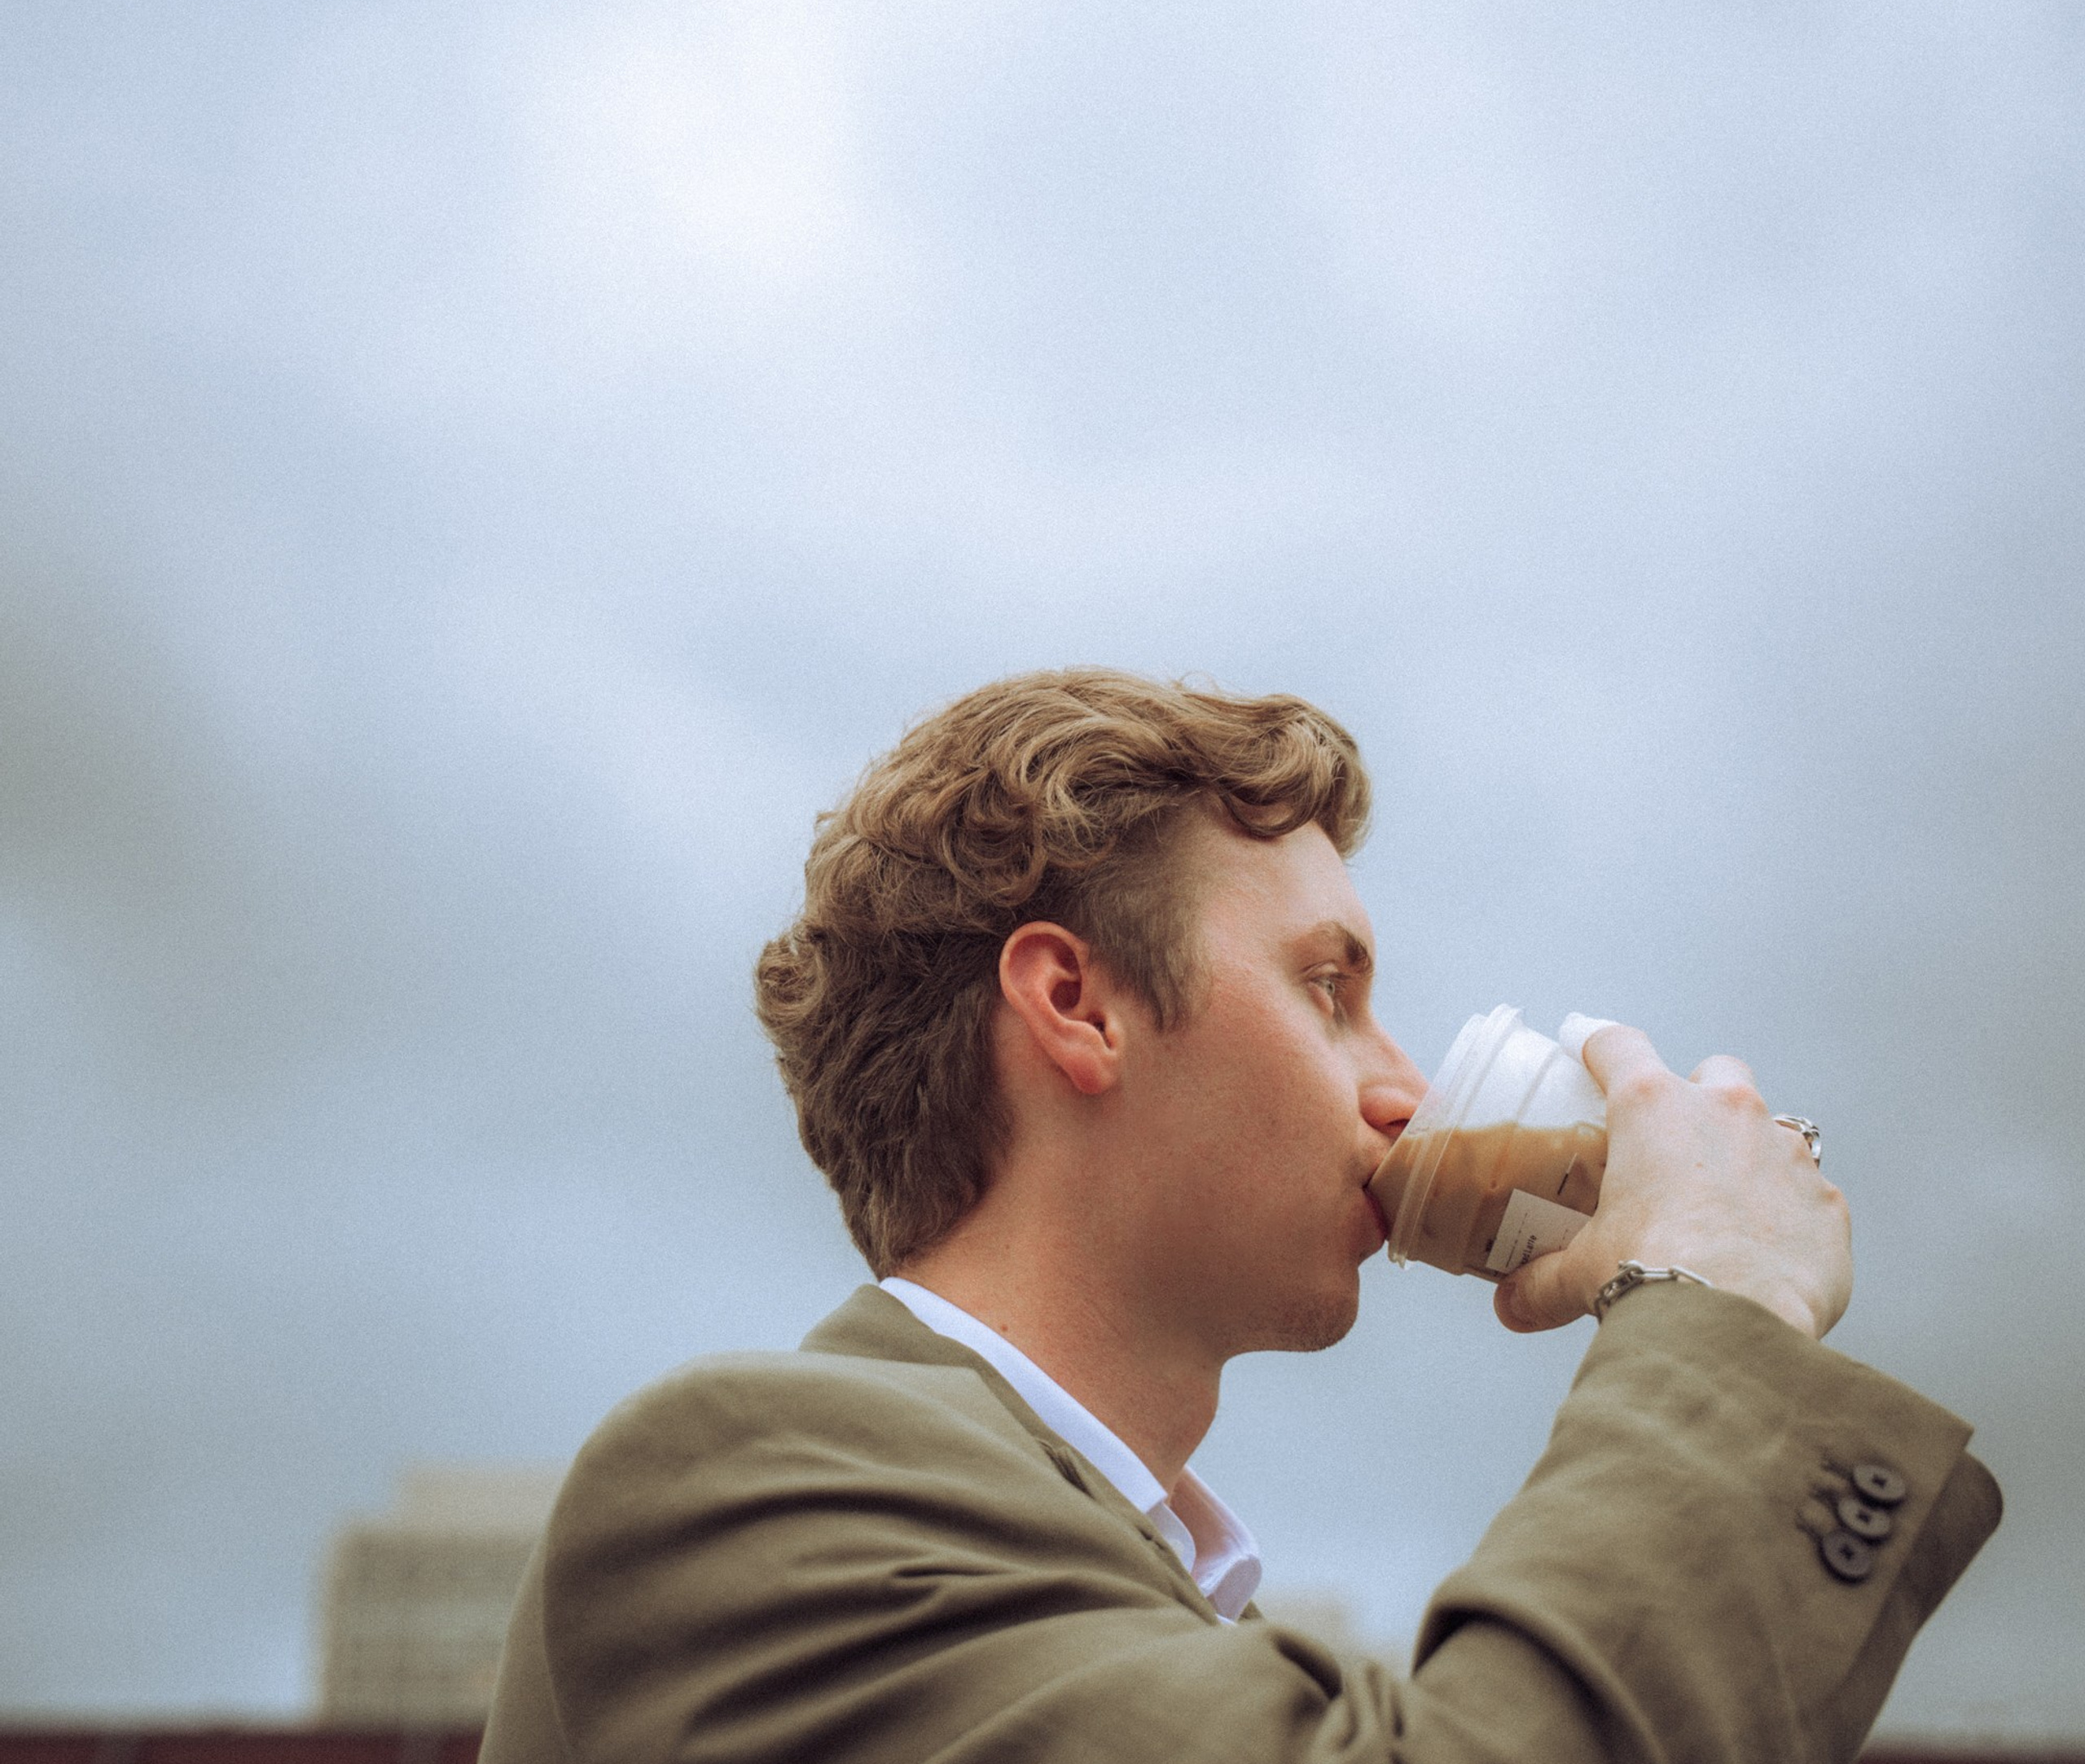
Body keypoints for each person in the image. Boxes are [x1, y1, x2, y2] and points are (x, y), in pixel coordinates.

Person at [482, 669, 1999, 1764]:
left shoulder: (1110, 1595)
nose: (1402, 1090)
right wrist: (1716, 1296)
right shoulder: (744, 1491)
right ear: (1077, 1006)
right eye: (1329, 989)